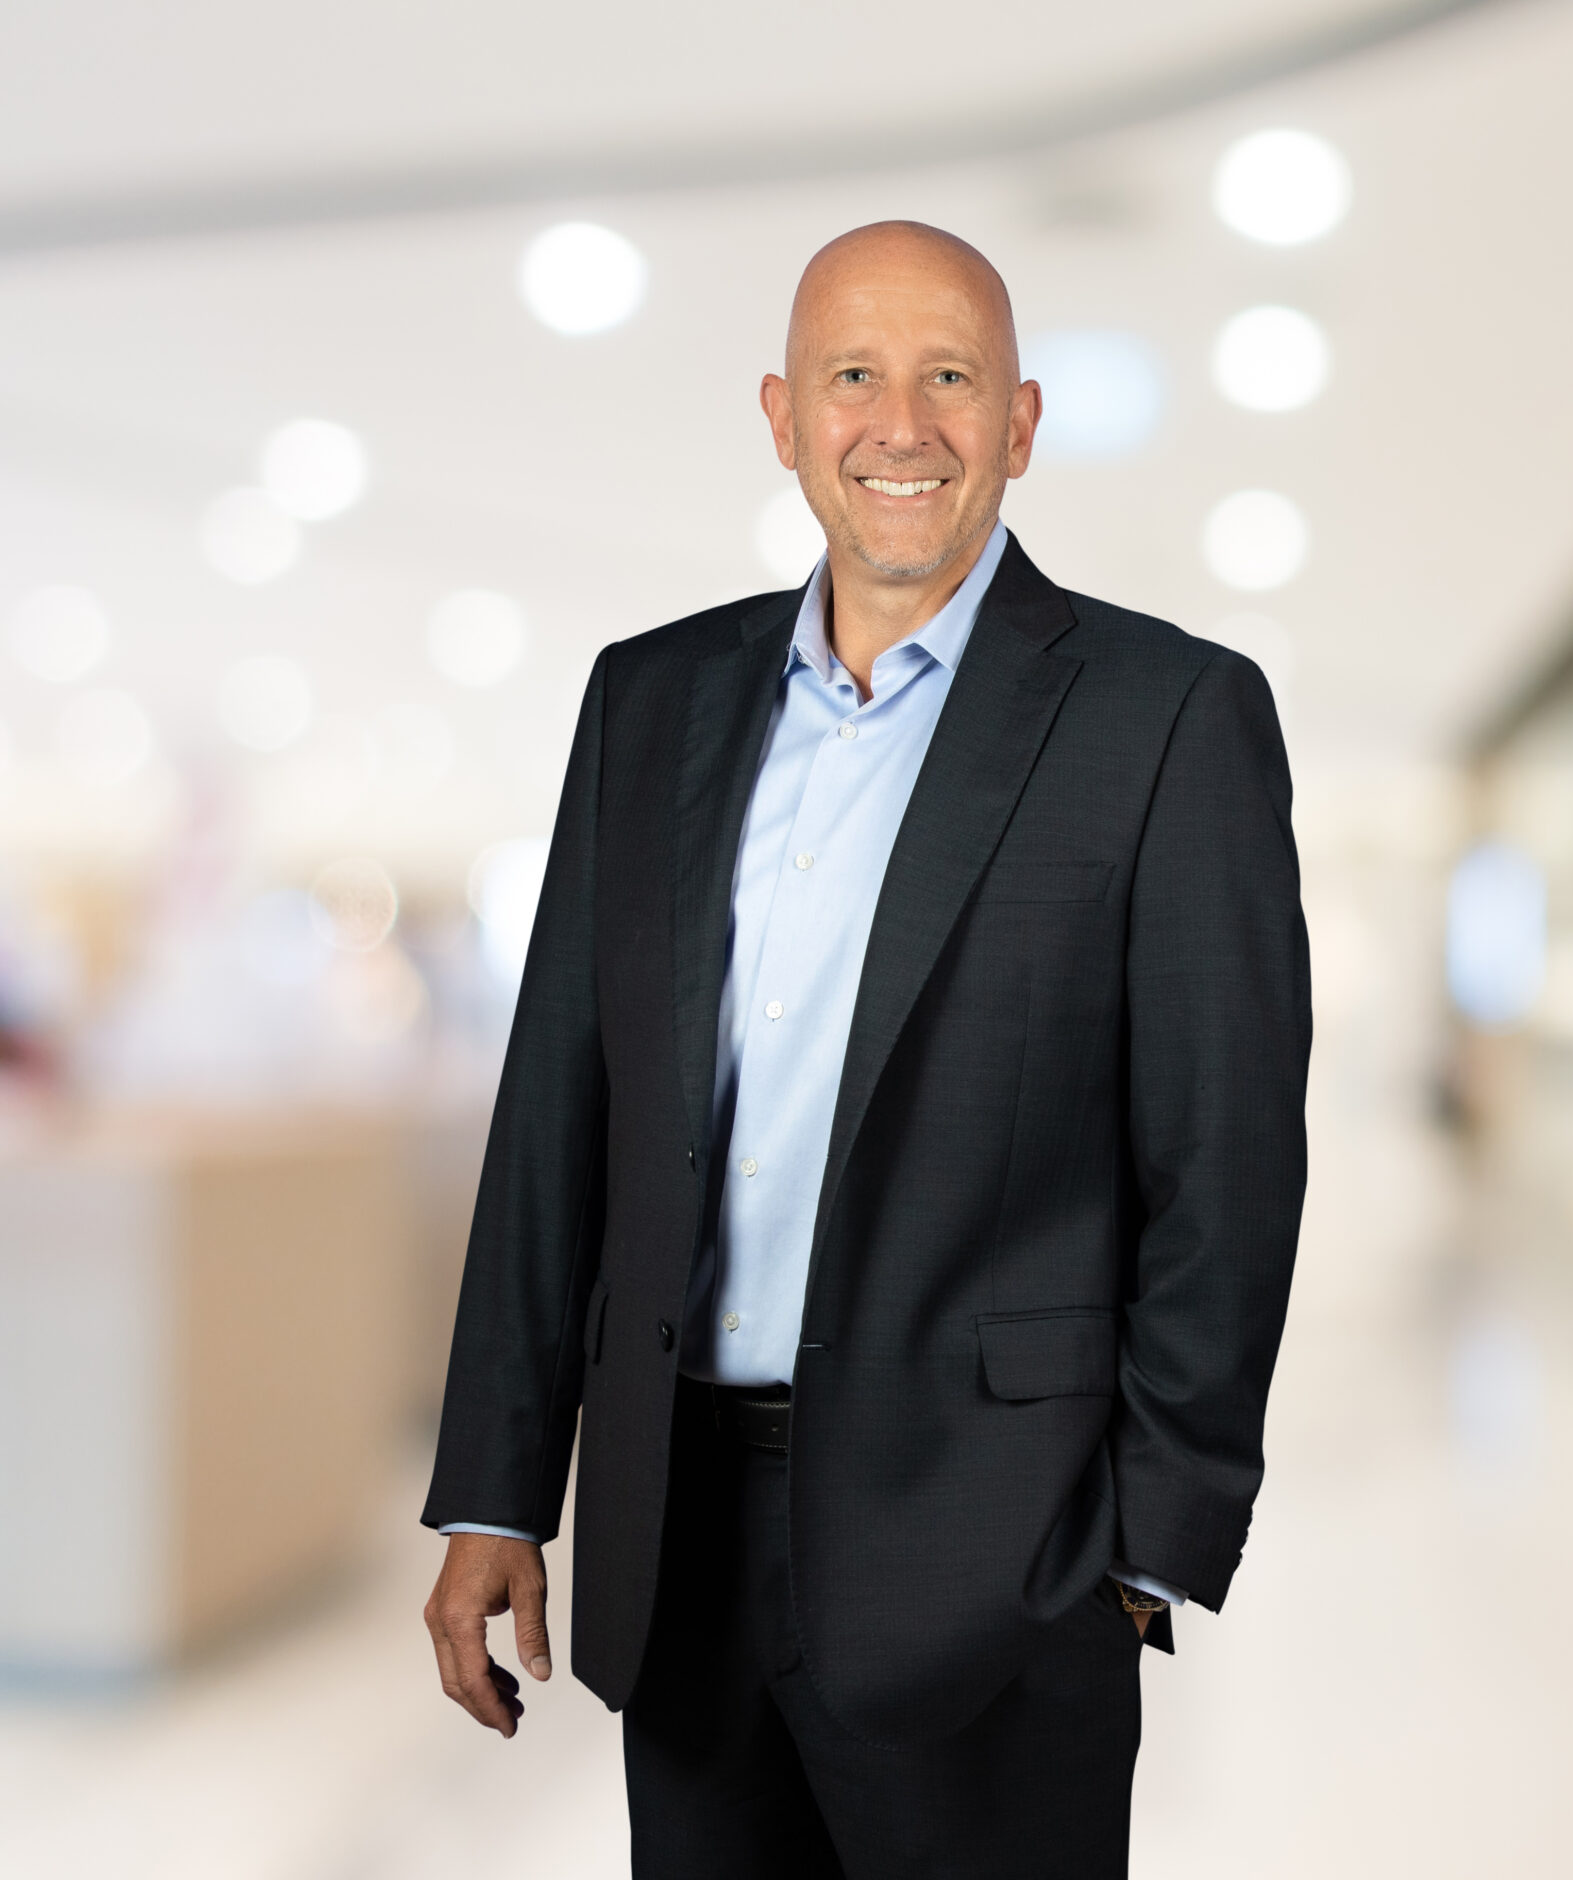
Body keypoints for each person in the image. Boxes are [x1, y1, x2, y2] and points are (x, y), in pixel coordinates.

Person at [419, 220, 1310, 1878]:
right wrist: (496, 1491)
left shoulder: (1169, 715)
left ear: (1022, 422)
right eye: (854, 377)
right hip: (676, 1551)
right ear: (781, 415)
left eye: (950, 378)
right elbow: (559, 1114)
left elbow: (1229, 1164)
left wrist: (1143, 1557)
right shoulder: (649, 701)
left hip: (1002, 1563)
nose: (902, 426)